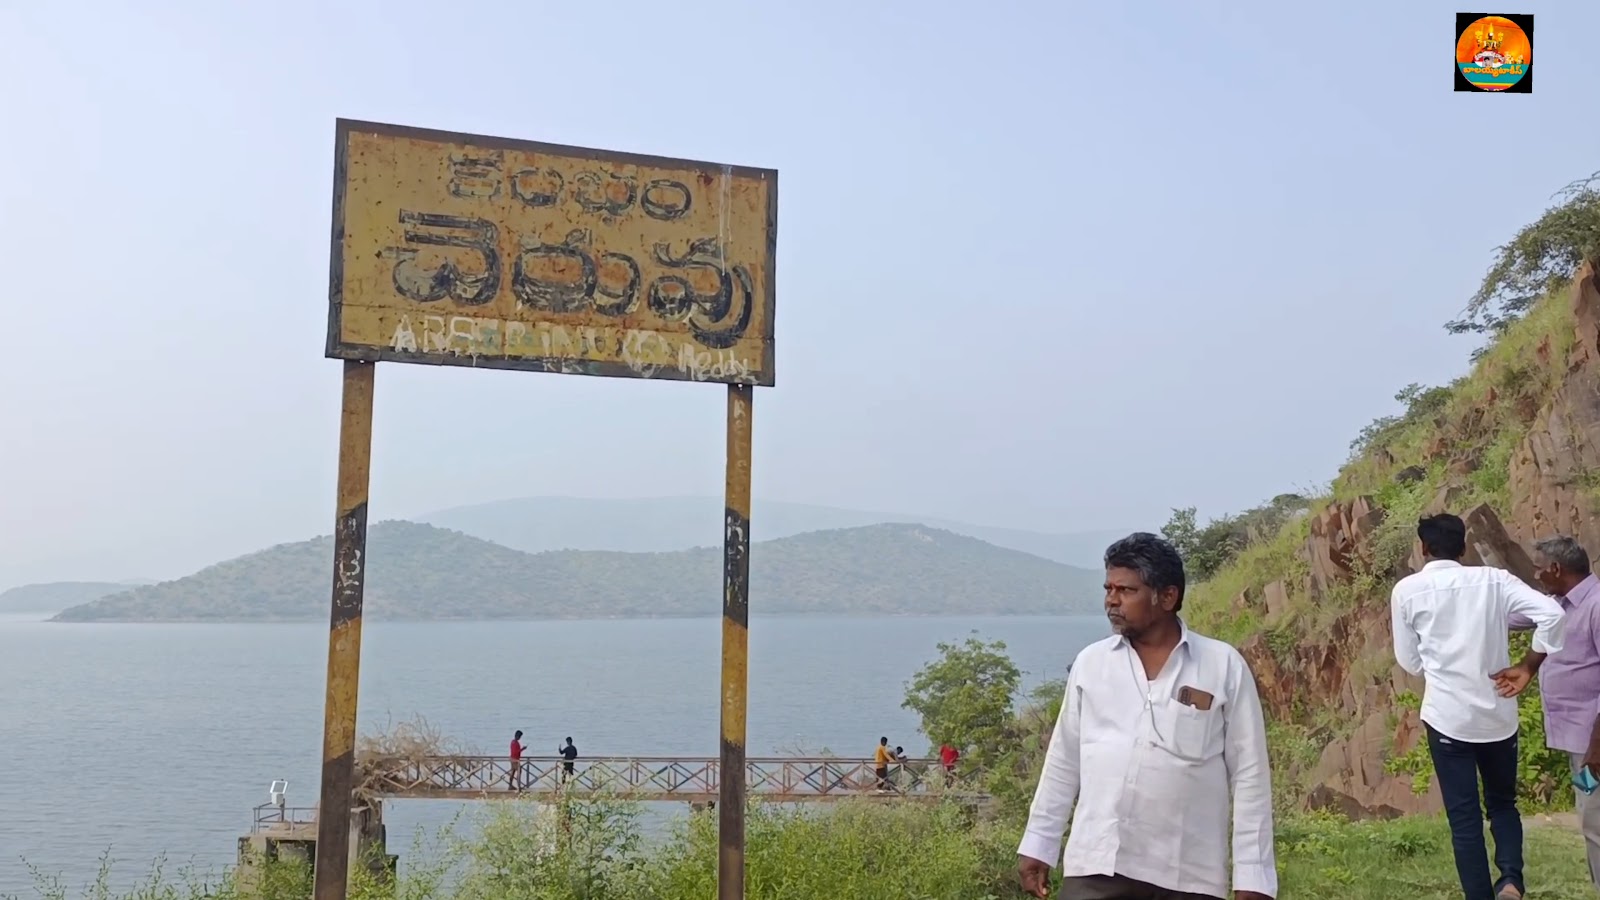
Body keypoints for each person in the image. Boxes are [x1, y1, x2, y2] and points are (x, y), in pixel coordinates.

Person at [1018, 532, 1276, 900]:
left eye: (1126, 590)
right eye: (1108, 588)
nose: (1112, 600)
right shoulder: (1092, 664)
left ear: (1167, 597)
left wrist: (1253, 878)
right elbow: (1064, 759)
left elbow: (1250, 775)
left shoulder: (1222, 667)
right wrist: (1039, 843)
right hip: (1097, 865)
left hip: (1189, 874)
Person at [1391, 513, 1566, 900]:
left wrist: (1437, 667)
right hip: (1498, 715)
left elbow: (1410, 662)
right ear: (1463, 547)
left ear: (1424, 548)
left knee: (1464, 819)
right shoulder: (1494, 581)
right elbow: (1552, 614)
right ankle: (1511, 881)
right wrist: (1527, 666)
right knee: (1503, 804)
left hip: (1447, 719)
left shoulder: (1408, 591)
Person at [1501, 535, 1600, 891]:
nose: (1536, 575)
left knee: (1597, 824)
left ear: (1556, 569)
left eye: (1539, 569)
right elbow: (1513, 617)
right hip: (1580, 742)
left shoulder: (1595, 606)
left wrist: (1596, 748)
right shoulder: (1558, 604)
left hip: (1594, 743)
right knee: (1591, 822)